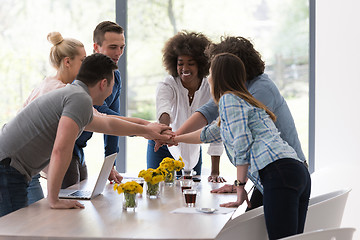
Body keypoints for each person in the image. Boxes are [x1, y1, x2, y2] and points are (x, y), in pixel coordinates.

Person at [0, 53, 172, 217]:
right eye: (113, 84)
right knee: (13, 231)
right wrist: (54, 200)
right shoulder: (79, 99)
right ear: (103, 83)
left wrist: (148, 129)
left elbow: (109, 124)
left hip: (9, 166)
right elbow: (61, 149)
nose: (113, 90)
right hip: (7, 168)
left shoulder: (75, 96)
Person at [175, 52, 311, 240]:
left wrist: (240, 187)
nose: (208, 78)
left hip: (279, 173)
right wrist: (175, 138)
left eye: (210, 73)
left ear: (218, 76)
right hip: (297, 171)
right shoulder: (244, 102)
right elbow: (209, 133)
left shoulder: (228, 100)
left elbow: (242, 142)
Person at [147, 31, 223, 177]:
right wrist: (165, 133)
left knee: (192, 195)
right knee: (158, 194)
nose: (184, 69)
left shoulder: (210, 87)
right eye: (180, 63)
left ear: (201, 65)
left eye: (191, 64)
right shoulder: (167, 84)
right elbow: (164, 111)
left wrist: (215, 172)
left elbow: (216, 128)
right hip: (163, 144)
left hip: (194, 150)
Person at [24, 32, 87, 205]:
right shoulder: (57, 91)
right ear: (67, 62)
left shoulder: (51, 84)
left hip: (30, 167)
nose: (86, 65)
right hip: (21, 167)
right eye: (83, 60)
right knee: (35, 218)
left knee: (40, 215)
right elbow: (96, 119)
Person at [70, 20, 125, 190]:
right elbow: (105, 116)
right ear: (96, 47)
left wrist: (110, 164)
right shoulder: (84, 77)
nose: (118, 53)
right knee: (69, 203)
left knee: (84, 198)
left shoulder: (116, 78)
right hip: (65, 148)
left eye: (122, 47)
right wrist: (144, 128)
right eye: (113, 47)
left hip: (79, 149)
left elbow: (113, 124)